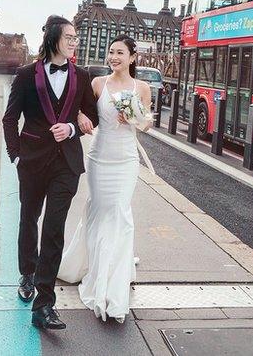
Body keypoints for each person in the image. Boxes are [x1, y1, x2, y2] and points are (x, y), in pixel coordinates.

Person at [1, 15, 98, 330]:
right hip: (31, 161)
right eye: (69, 37)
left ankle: (44, 304)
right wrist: (15, 156)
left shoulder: (81, 76)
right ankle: (27, 273)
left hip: (66, 165)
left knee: (54, 228)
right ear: (54, 38)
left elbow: (92, 116)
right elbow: (9, 118)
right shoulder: (27, 75)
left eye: (76, 37)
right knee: (29, 219)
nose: (74, 42)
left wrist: (72, 127)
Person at [58, 35, 153, 324]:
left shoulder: (142, 88)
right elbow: (76, 108)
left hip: (125, 161)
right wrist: (80, 117)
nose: (114, 57)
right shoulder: (98, 84)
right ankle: (96, 273)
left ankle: (113, 282)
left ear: (132, 58)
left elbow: (148, 123)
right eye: (111, 52)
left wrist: (136, 118)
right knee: (98, 214)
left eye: (120, 53)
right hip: (99, 158)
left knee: (120, 214)